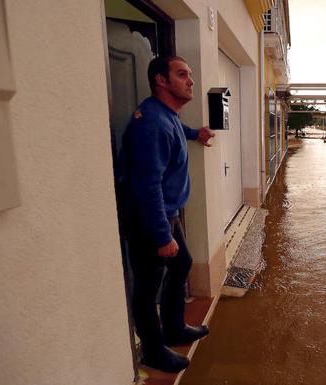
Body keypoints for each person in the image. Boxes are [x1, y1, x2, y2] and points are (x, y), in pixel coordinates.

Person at [120, 56, 215, 373]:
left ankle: (173, 328)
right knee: (148, 286)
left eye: (189, 74)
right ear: (161, 80)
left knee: (183, 263)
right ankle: (152, 350)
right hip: (150, 216)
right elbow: (148, 186)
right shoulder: (153, 124)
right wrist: (162, 236)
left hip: (167, 212)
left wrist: (194, 133)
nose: (190, 80)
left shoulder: (166, 115)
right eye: (182, 74)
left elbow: (175, 129)